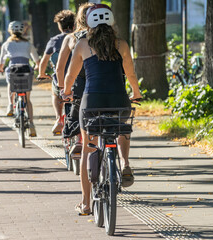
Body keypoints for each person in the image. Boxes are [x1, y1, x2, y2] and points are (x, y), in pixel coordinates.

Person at [62, 4, 142, 215]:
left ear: (87, 22)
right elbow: (131, 74)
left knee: (88, 148)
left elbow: (70, 76)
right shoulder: (121, 44)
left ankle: (86, 203)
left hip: (92, 103)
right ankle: (124, 162)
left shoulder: (82, 44)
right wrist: (136, 92)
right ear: (112, 21)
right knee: (120, 126)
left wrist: (67, 91)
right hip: (119, 101)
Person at [56, 2, 93, 154]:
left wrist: (62, 89)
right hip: (104, 82)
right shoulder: (108, 37)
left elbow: (60, 67)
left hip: (79, 82)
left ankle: (78, 139)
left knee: (75, 109)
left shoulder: (72, 38)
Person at [0, 21, 40, 137]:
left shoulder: (7, 44)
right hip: (26, 70)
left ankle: (10, 104)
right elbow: (37, 61)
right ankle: (31, 124)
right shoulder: (28, 44)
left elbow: (1, 61)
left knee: (10, 83)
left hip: (13, 70)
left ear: (10, 31)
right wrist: (37, 67)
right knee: (28, 99)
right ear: (23, 31)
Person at [37, 10, 75, 135]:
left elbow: (44, 61)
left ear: (59, 26)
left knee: (55, 94)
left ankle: (59, 118)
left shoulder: (54, 40)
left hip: (61, 79)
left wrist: (41, 74)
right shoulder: (79, 37)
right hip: (78, 78)